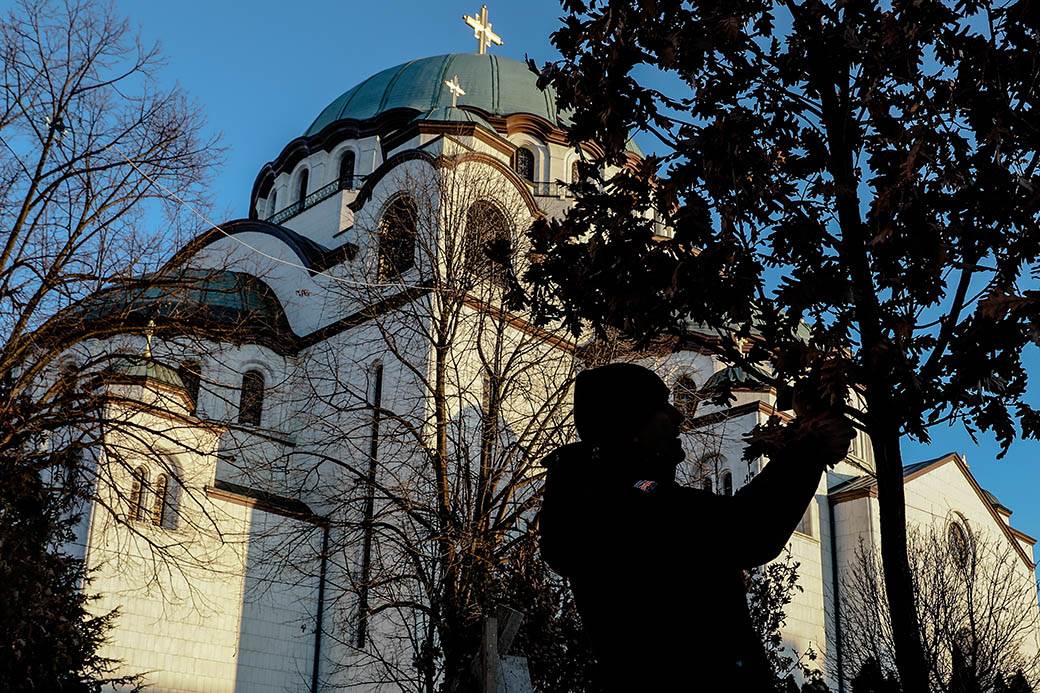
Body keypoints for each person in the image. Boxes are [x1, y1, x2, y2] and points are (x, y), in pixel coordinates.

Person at [539, 362, 854, 691]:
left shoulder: (603, 497)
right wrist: (809, 445)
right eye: (662, 408)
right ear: (629, 426)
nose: (677, 418)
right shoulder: (622, 502)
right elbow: (749, 528)